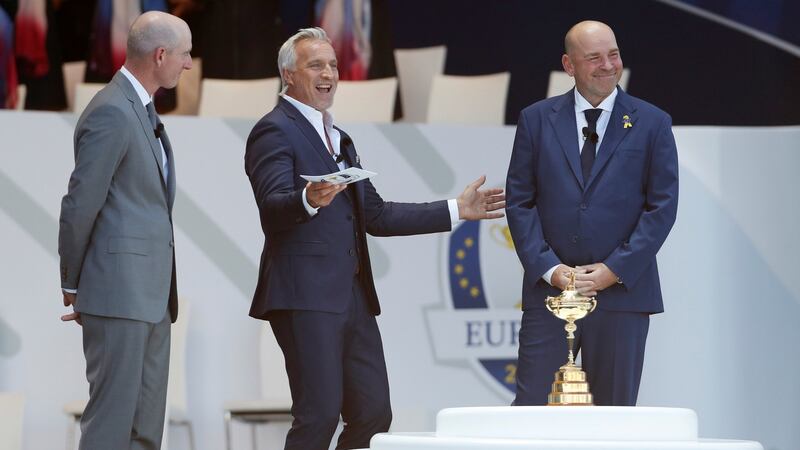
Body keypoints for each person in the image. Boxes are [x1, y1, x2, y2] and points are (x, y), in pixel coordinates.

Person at [244, 27, 505, 450]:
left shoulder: (339, 138)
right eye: (316, 65)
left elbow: (377, 215)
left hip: (352, 298)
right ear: (289, 74)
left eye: (332, 64)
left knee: (373, 414)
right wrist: (308, 198)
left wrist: (457, 209)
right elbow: (272, 206)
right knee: (319, 414)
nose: (329, 73)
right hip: (304, 295)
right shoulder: (273, 130)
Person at [505, 20, 678, 406]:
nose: (607, 65)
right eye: (594, 57)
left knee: (612, 418)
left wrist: (613, 270)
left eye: (613, 54)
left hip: (621, 295)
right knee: (532, 410)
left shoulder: (653, 122)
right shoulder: (535, 119)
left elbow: (662, 208)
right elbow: (520, 202)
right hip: (551, 294)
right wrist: (552, 270)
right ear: (569, 65)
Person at [58, 11, 192, 449]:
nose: (189, 64)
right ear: (160, 55)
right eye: (185, 54)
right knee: (111, 427)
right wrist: (73, 283)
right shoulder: (112, 110)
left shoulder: (140, 108)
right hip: (118, 296)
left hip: (152, 299)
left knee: (145, 433)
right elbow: (80, 203)